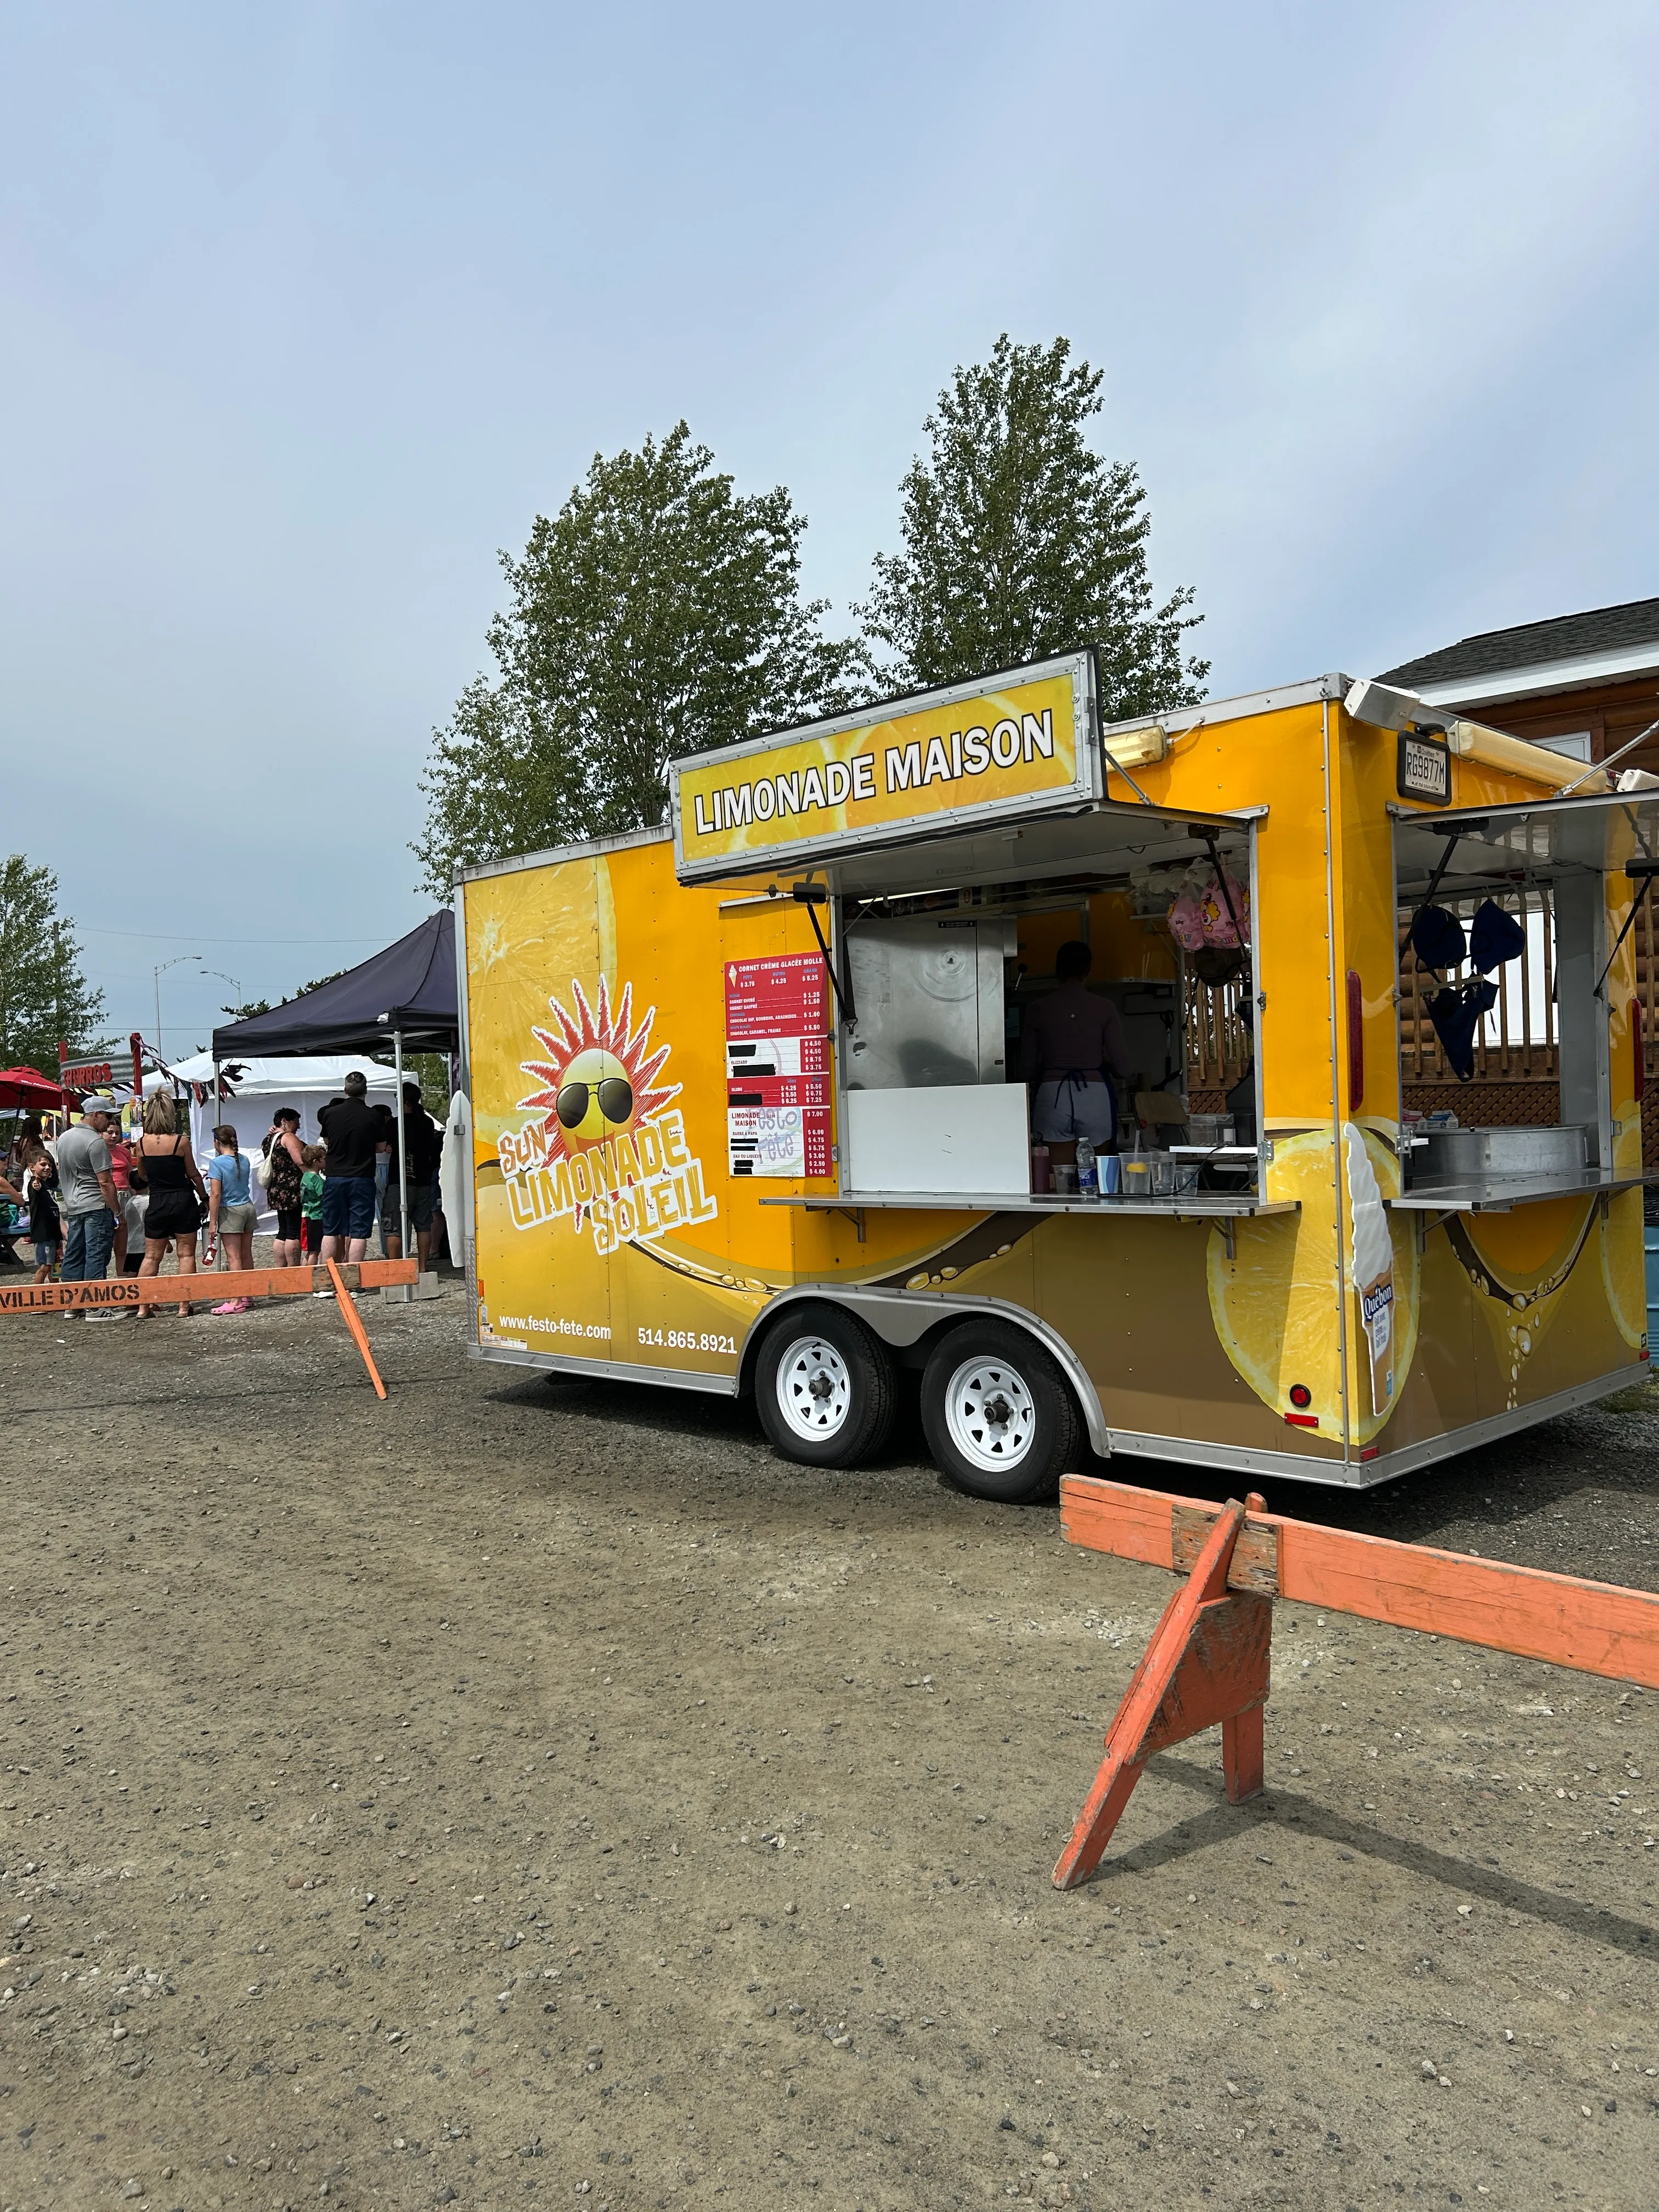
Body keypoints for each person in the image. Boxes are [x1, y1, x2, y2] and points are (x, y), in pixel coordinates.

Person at [1020, 941, 1133, 1167]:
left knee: (1060, 1178)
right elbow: (1124, 1070)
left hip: (1053, 1096)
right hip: (1094, 1095)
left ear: (1057, 970)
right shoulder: (1105, 1007)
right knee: (1097, 1177)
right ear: (1088, 970)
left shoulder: (1038, 1008)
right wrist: (1104, 1062)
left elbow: (1026, 1070)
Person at [136, 1089, 210, 1319]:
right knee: (186, 1255)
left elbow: (143, 1176)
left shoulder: (141, 1144)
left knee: (151, 1257)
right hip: (182, 1199)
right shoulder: (181, 1142)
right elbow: (194, 1174)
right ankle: (183, 1306)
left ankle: (143, 1307)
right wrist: (204, 1197)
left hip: (157, 1201)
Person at [56, 1096, 123, 1296]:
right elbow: (105, 1182)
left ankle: (72, 1302)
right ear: (96, 1115)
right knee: (97, 1253)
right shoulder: (95, 1142)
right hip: (95, 1205)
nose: (111, 1121)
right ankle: (96, 1305)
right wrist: (117, 1211)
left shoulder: (64, 1138)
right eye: (108, 1116)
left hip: (73, 1204)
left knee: (74, 1253)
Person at [317, 1069, 379, 1266]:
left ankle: (328, 1278)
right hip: (362, 1176)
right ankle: (354, 1281)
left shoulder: (330, 1113)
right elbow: (379, 1146)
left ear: (345, 1091)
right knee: (359, 1232)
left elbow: (327, 1140)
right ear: (365, 1091)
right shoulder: (373, 1115)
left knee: (330, 1230)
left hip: (335, 1176)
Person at [383, 1080, 443, 1270]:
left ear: (404, 1100)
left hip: (399, 1180)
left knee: (393, 1226)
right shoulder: (427, 1122)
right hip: (423, 1179)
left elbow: (384, 1146)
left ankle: (396, 1269)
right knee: (423, 1225)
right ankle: (423, 1266)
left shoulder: (395, 1124)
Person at [204, 1124, 257, 1314]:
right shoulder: (244, 1159)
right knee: (246, 1254)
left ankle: (236, 1300)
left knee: (233, 1257)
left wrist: (212, 1221)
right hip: (247, 1207)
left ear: (217, 1142)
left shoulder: (216, 1163)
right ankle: (247, 1295)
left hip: (231, 1210)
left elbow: (216, 1194)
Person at [261, 1108, 306, 1267]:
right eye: (296, 1122)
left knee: (283, 1230)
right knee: (294, 1232)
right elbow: (300, 1161)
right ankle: (294, 1269)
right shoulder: (288, 1137)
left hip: (277, 1188)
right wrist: (310, 1177)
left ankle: (280, 1269)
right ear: (284, 1121)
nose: (298, 1126)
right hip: (292, 1189)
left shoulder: (268, 1139)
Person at [21, 1143, 62, 1284]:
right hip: (44, 1234)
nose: (47, 1168)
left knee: (55, 1267)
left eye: (49, 1165)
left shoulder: (47, 1186)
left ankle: (56, 1298)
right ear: (32, 1167)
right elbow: (35, 1187)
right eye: (43, 1164)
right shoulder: (35, 1183)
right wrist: (36, 1184)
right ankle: (36, 1294)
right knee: (45, 1266)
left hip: (54, 1234)